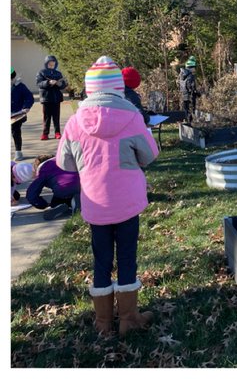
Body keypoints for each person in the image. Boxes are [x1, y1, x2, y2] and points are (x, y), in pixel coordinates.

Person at [57, 56, 159, 337]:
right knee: (127, 257)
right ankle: (128, 318)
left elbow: (64, 163)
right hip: (127, 202)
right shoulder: (132, 117)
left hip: (95, 203)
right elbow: (150, 155)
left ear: (89, 90)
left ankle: (103, 323)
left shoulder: (75, 122)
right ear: (118, 89)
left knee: (101, 259)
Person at [26, 154, 80, 219]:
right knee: (75, 192)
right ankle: (76, 203)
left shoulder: (43, 169)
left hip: (63, 189)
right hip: (82, 185)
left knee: (60, 196)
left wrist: (43, 204)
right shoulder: (64, 159)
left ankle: (57, 206)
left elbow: (31, 194)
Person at [35, 56, 66, 141]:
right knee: (46, 117)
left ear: (56, 64)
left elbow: (63, 84)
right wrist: (48, 82)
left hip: (56, 99)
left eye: (53, 64)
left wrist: (59, 84)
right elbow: (39, 83)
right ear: (46, 63)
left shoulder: (58, 73)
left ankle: (57, 133)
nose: (52, 65)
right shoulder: (41, 72)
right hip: (46, 98)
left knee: (56, 117)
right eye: (50, 64)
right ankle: (45, 134)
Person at [11, 68, 35, 159]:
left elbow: (29, 97)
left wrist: (26, 107)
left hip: (16, 114)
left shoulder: (20, 86)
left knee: (15, 131)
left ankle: (18, 152)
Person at [177, 57, 198, 125]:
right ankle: (192, 126)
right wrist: (196, 93)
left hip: (183, 95)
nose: (195, 69)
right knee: (192, 112)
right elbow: (191, 87)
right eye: (194, 67)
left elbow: (178, 84)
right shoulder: (190, 76)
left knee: (187, 111)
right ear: (191, 67)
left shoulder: (181, 75)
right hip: (190, 96)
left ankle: (188, 124)